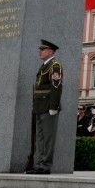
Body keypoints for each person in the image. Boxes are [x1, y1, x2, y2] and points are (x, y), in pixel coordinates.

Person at [27, 40, 62, 175]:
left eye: (43, 49)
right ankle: (39, 164)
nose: (40, 51)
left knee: (48, 138)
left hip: (48, 107)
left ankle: (45, 165)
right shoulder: (44, 66)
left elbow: (56, 87)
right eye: (40, 49)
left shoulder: (55, 66)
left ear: (51, 51)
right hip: (39, 107)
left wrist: (54, 106)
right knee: (40, 138)